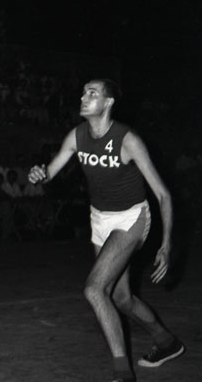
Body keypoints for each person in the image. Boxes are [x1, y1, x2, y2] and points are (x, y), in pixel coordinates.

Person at [28, 78, 185, 382]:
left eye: (93, 93)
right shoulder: (76, 136)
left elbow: (163, 194)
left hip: (131, 218)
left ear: (109, 102)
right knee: (122, 298)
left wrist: (166, 244)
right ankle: (167, 342)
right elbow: (49, 174)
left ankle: (122, 373)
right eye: (83, 92)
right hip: (99, 219)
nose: (84, 97)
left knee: (94, 289)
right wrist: (39, 174)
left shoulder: (128, 140)